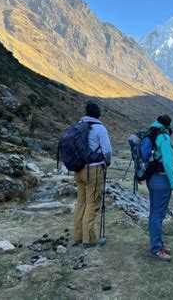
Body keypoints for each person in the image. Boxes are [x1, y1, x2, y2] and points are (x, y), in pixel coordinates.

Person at [73, 101, 112, 248]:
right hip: (93, 170)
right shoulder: (99, 128)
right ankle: (88, 239)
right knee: (92, 203)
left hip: (78, 170)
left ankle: (78, 236)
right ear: (98, 114)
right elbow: (107, 150)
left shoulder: (78, 127)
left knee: (81, 202)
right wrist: (107, 162)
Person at [147, 115, 173, 262]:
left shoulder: (152, 133)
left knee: (154, 214)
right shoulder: (164, 137)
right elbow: (167, 161)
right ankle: (157, 248)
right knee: (158, 216)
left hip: (152, 178)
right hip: (161, 179)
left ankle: (157, 243)